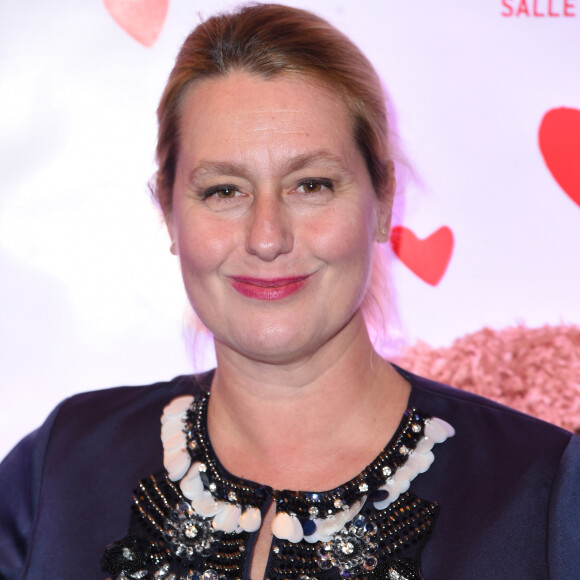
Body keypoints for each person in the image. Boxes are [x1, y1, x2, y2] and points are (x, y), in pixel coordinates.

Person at [0, 4, 579, 579]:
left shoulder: (545, 495)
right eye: (224, 191)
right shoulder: (58, 469)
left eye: (311, 184)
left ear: (381, 205)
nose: (267, 237)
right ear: (171, 215)